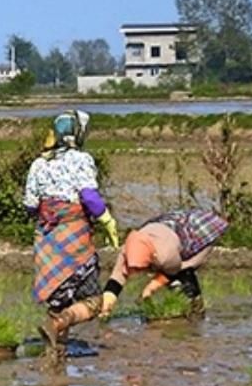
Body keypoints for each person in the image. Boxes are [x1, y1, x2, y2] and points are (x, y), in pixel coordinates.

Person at [24, 109, 119, 359]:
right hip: (74, 237)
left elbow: (30, 205)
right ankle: (57, 326)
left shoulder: (38, 163)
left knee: (57, 299)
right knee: (94, 301)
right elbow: (89, 196)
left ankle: (55, 354)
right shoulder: (80, 159)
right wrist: (107, 220)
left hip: (46, 238)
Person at [100, 208, 229, 318]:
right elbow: (116, 278)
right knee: (170, 277)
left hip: (195, 233)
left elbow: (175, 270)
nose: (136, 273)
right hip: (163, 229)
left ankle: (196, 309)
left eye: (139, 268)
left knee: (184, 275)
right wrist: (106, 305)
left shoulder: (166, 255)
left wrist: (149, 289)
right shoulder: (128, 249)